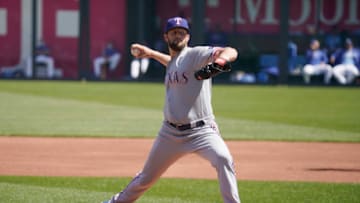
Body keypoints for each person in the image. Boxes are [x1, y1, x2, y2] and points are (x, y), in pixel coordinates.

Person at [102, 17, 241, 203]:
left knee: (223, 159)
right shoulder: (175, 61)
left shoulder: (195, 55)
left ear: (188, 37)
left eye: (182, 32)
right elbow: (172, 63)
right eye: (174, 32)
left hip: (202, 131)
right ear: (166, 37)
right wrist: (150, 53)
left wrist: (221, 61)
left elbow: (230, 51)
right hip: (170, 134)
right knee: (146, 178)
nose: (178, 35)